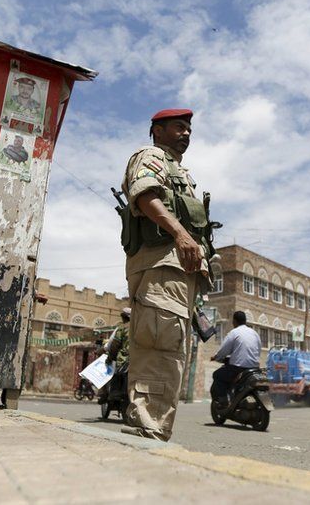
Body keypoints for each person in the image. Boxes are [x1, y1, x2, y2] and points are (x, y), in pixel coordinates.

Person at [120, 108, 210, 441]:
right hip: (161, 266)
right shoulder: (152, 156)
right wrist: (181, 235)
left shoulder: (179, 170)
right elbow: (144, 195)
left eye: (188, 129)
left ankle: (151, 429)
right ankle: (148, 431)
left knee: (169, 352)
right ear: (156, 131)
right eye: (178, 127)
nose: (186, 133)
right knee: (160, 350)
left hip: (175, 272)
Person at [210, 311, 261, 406]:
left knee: (217, 375)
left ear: (234, 321)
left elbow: (223, 350)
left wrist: (217, 357)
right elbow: (258, 351)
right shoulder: (255, 334)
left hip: (238, 369)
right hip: (254, 369)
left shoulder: (234, 333)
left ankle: (223, 400)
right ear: (245, 321)